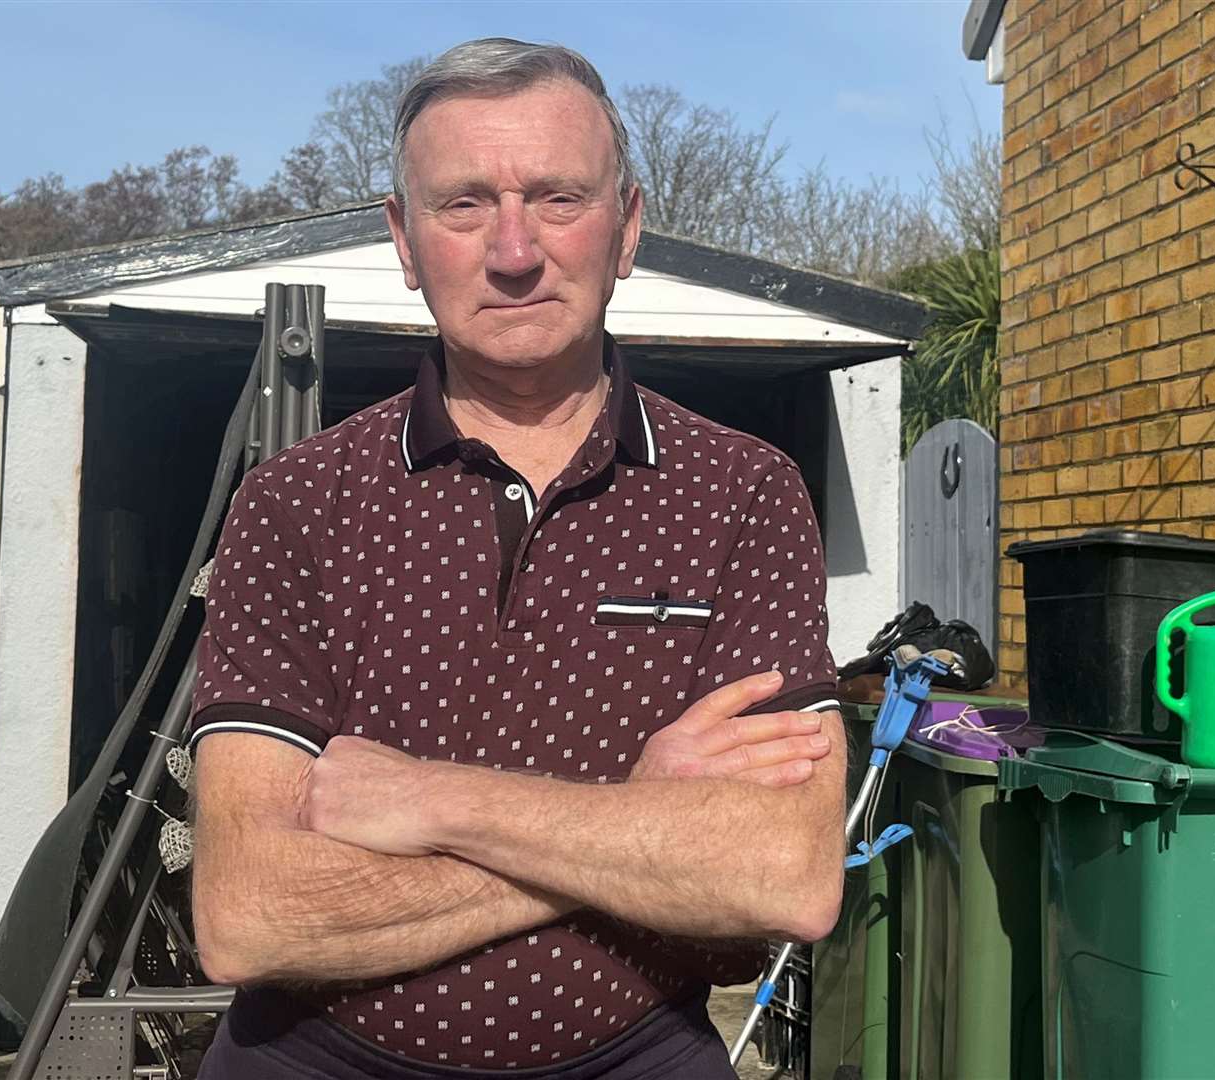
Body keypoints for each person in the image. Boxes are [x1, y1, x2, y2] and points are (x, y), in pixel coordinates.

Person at [188, 38, 846, 1079]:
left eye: (557, 197)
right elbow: (248, 916)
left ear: (626, 227)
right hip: (313, 1057)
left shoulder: (743, 492)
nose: (513, 250)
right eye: (462, 205)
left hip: (635, 1053)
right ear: (404, 241)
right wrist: (638, 821)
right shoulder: (295, 502)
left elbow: (787, 875)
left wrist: (434, 801)